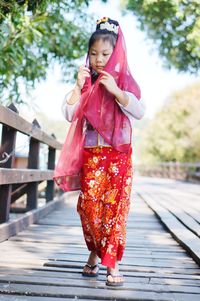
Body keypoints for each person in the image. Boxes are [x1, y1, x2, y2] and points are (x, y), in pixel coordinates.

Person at [53, 17, 145, 287]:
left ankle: (111, 263)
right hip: (92, 157)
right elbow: (69, 113)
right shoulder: (86, 83)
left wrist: (116, 91)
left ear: (116, 53)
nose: (99, 59)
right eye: (93, 54)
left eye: (105, 54)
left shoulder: (124, 82)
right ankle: (94, 251)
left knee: (115, 210)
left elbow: (139, 111)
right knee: (90, 209)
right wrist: (76, 88)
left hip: (118, 157)